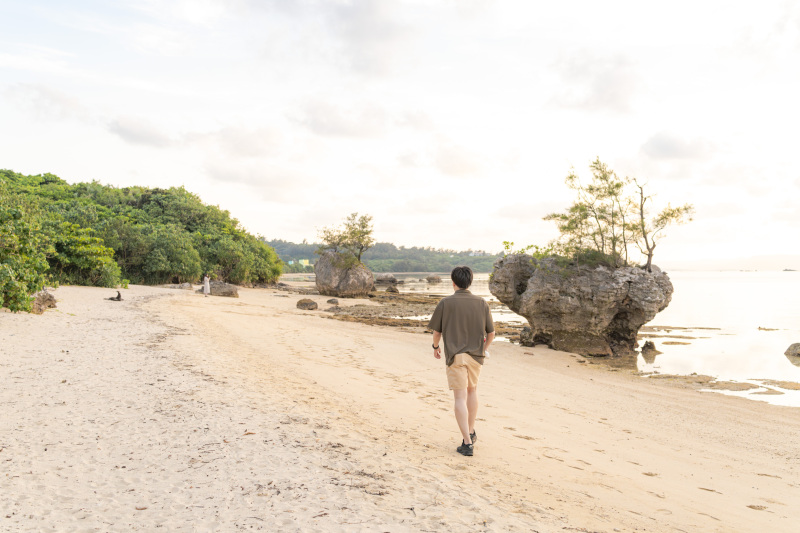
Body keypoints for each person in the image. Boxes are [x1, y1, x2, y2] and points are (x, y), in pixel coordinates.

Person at [428, 266, 495, 456]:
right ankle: (471, 431)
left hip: (455, 355)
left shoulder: (446, 303)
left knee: (459, 397)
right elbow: (491, 333)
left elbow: (437, 332)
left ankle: (467, 443)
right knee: (472, 391)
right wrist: (484, 349)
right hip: (476, 356)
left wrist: (435, 347)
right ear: (470, 281)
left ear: (453, 282)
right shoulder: (481, 303)